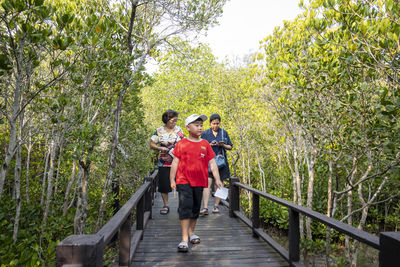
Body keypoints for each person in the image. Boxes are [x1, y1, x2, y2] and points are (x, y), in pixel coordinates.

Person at [170, 114, 223, 252]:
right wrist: (172, 179)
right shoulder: (182, 144)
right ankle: (184, 239)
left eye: (201, 125)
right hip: (184, 180)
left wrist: (217, 179)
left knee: (195, 208)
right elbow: (175, 162)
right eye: (196, 125)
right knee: (185, 207)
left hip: (200, 182)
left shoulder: (205, 144)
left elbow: (212, 162)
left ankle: (192, 232)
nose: (200, 127)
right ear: (188, 127)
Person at [150, 109, 184, 215]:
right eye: (172, 121)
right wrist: (160, 149)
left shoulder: (179, 130)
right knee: (164, 185)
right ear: (167, 120)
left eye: (176, 121)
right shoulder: (159, 130)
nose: (174, 123)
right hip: (164, 162)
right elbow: (151, 144)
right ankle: (166, 205)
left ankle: (181, 206)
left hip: (178, 162)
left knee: (181, 184)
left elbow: (184, 142)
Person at [200, 113, 233, 215]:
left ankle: (216, 206)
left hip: (221, 162)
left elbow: (230, 147)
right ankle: (205, 207)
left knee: (219, 184)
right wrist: (209, 145)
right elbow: (200, 148)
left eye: (217, 123)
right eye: (214, 123)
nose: (216, 126)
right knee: (207, 184)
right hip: (208, 162)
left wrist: (223, 145)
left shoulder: (224, 133)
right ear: (210, 123)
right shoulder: (205, 134)